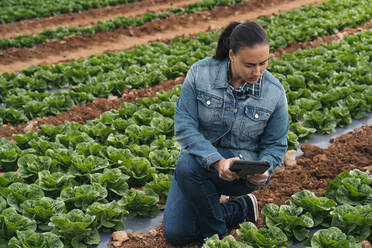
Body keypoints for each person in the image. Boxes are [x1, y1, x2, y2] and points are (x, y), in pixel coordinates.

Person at [163, 21, 289, 246]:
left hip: (242, 173)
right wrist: (217, 161)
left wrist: (266, 167)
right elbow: (185, 127)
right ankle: (241, 208)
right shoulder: (200, 74)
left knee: (187, 167)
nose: (258, 72)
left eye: (264, 63)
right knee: (177, 233)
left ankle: (216, 236)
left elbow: (276, 144)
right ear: (231, 55)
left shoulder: (275, 93)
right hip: (199, 167)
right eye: (250, 65)